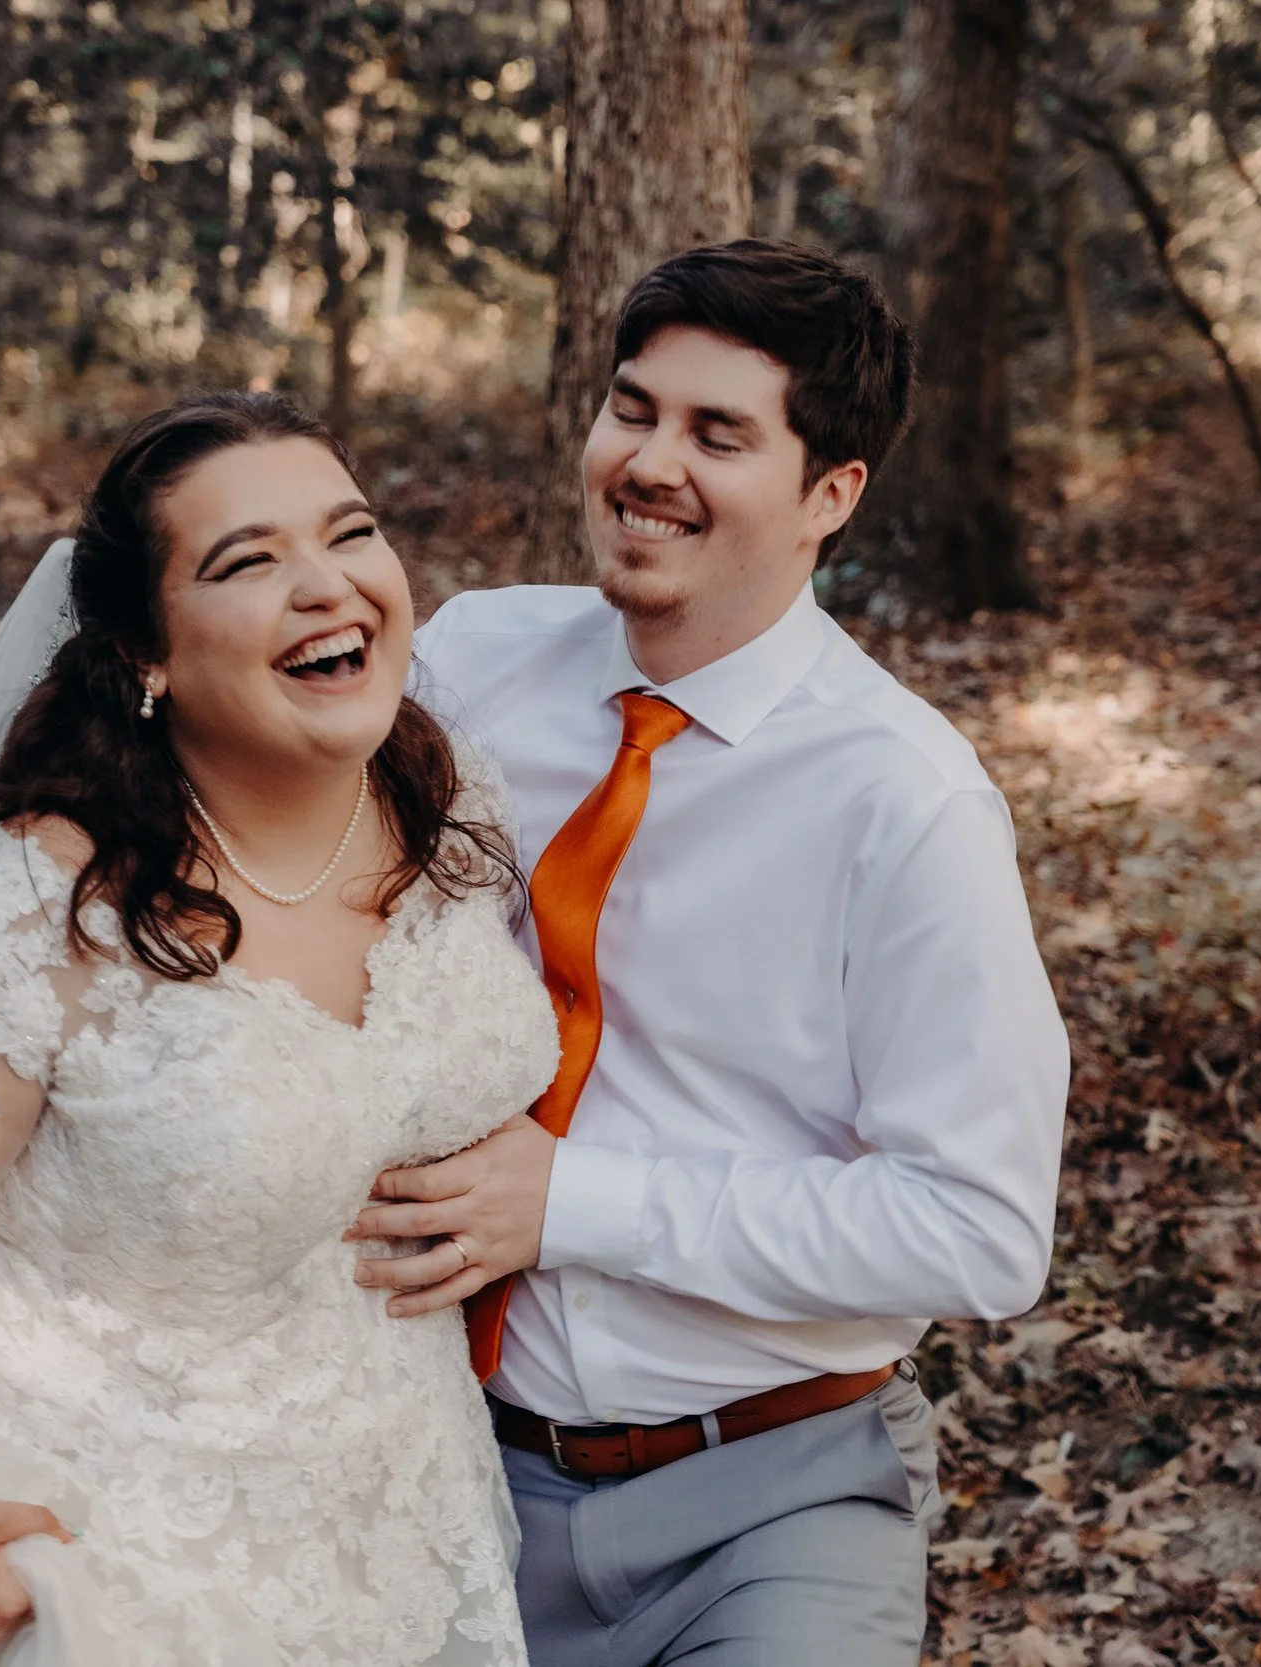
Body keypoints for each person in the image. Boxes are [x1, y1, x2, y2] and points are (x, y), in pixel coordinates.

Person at [0, 392, 560, 1666]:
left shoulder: (451, 809)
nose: (327, 585)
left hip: (396, 1536)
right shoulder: (15, 911)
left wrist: (547, 1184)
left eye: (349, 532)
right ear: (146, 651)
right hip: (103, 1566)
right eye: (246, 561)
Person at [356, 240, 1071, 1665]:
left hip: (775, 1495)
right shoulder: (468, 664)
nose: (649, 462)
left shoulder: (906, 800)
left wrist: (577, 1202)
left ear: (830, 494)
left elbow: (981, 1227)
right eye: (633, 409)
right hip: (438, 1464)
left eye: (717, 434)